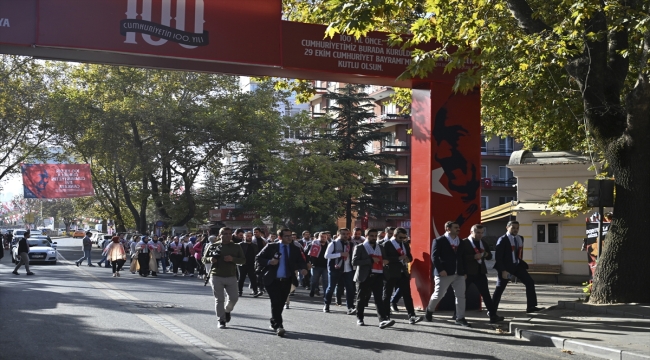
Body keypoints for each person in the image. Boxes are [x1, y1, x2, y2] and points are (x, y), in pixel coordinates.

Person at [255, 228, 308, 337]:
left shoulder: (295, 248)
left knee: (281, 302)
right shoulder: (271, 246)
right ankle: (279, 326)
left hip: (287, 280)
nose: (290, 238)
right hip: (272, 279)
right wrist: (270, 262)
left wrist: (303, 268)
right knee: (275, 301)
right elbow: (258, 258)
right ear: (280, 237)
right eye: (286, 236)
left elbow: (301, 261)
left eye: (290, 235)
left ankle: (274, 321)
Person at [425, 221, 471, 327]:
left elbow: (463, 258)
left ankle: (460, 318)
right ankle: (429, 310)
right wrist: (440, 269)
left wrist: (465, 272)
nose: (458, 229)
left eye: (458, 227)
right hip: (444, 273)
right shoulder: (439, 240)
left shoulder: (461, 241)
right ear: (448, 228)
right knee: (439, 294)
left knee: (461, 296)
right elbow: (434, 257)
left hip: (459, 273)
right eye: (455, 227)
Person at [492, 221, 541, 313]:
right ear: (507, 227)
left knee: (530, 282)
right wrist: (503, 270)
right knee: (500, 288)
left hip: (517, 265)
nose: (515, 230)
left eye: (517, 228)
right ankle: (492, 310)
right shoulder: (503, 239)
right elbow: (498, 257)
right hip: (506, 268)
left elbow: (519, 252)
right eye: (513, 228)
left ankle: (531, 306)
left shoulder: (520, 238)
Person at [459, 224, 504, 323]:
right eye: (478, 233)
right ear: (471, 232)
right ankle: (457, 315)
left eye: (482, 233)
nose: (480, 235)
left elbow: (489, 256)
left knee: (486, 295)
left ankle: (493, 316)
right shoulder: (464, 242)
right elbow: (460, 258)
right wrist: (473, 257)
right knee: (461, 295)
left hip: (480, 272)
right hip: (468, 273)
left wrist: (486, 254)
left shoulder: (483, 242)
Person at [351, 228, 394, 328]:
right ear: (366, 236)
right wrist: (370, 260)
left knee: (379, 299)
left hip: (378, 275)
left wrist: (386, 261)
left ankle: (382, 320)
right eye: (371, 236)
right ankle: (360, 318)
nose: (374, 238)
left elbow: (385, 258)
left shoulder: (380, 247)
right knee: (361, 298)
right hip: (364, 276)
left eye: (375, 236)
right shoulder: (360, 247)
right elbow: (354, 262)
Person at [203, 229, 245, 329]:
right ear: (219, 235)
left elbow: (243, 260)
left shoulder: (236, 246)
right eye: (225, 234)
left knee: (234, 298)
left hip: (231, 276)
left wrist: (232, 259)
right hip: (216, 275)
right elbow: (204, 259)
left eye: (230, 234)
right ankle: (221, 320)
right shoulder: (213, 246)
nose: (228, 236)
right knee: (219, 299)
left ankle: (226, 311)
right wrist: (210, 259)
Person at [382, 227, 422, 324]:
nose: (403, 239)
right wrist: (398, 258)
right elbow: (385, 259)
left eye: (404, 237)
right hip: (391, 273)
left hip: (403, 272)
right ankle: (386, 316)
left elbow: (410, 256)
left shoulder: (405, 244)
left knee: (407, 295)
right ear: (394, 235)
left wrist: (408, 259)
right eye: (400, 237)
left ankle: (412, 316)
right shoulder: (386, 244)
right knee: (387, 295)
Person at [323, 228, 356, 314]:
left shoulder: (351, 244)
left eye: (347, 234)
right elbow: (326, 256)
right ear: (338, 234)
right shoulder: (333, 243)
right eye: (343, 234)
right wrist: (340, 254)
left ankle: (350, 307)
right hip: (335, 269)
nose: (346, 235)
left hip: (348, 269)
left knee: (350, 289)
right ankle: (327, 304)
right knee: (331, 288)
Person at [306, 232, 329, 297]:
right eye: (322, 237)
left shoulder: (329, 245)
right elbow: (306, 254)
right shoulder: (313, 244)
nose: (323, 238)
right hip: (315, 266)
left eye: (325, 237)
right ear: (319, 237)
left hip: (326, 266)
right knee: (314, 281)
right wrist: (309, 262)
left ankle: (325, 294)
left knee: (325, 281)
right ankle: (312, 290)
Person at [238, 231, 260, 297]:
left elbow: (257, 254)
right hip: (242, 264)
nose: (249, 237)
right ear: (244, 237)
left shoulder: (254, 246)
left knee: (253, 278)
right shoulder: (240, 245)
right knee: (241, 278)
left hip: (252, 264)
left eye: (250, 236)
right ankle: (240, 291)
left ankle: (255, 291)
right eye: (248, 236)